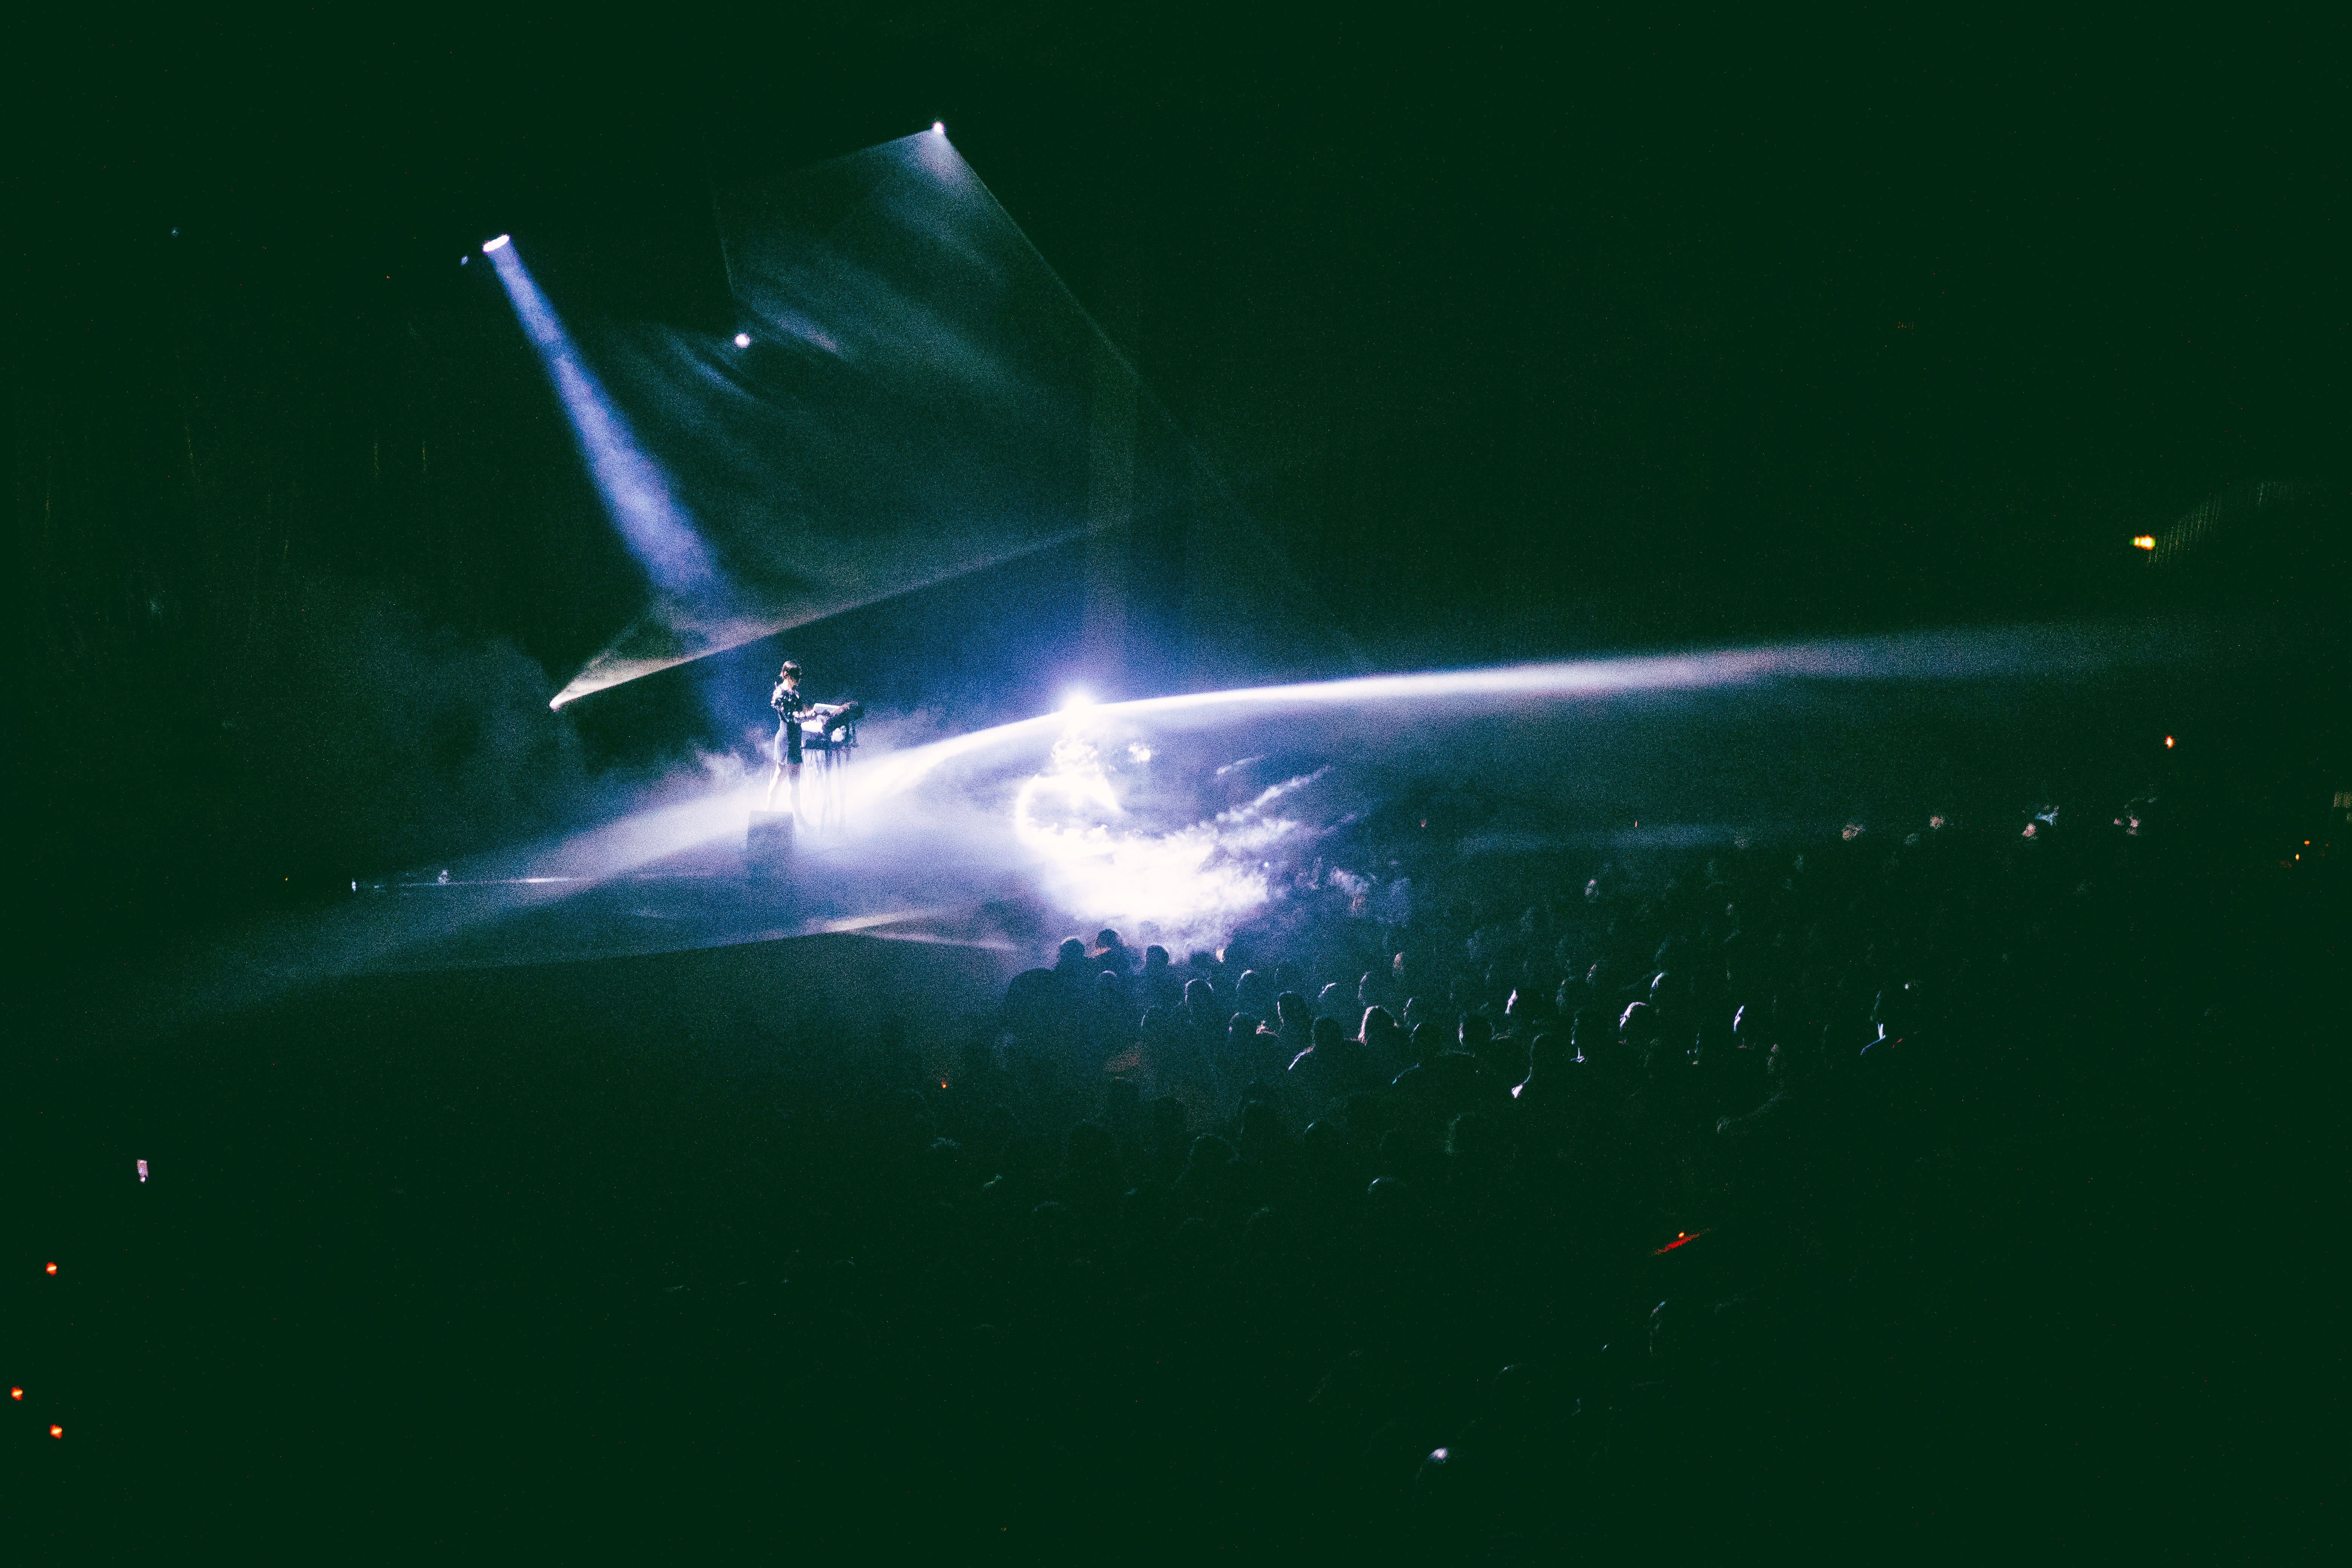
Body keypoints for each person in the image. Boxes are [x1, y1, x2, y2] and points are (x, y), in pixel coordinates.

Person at [763, 660, 812, 814]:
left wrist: (814, 713)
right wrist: (808, 715)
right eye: (795, 675)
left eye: (799, 676)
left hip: (795, 738)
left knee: (795, 780)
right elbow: (790, 716)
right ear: (786, 674)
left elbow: (803, 710)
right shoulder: (780, 693)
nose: (798, 679)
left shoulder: (795, 693)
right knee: (780, 776)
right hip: (786, 739)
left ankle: (799, 816)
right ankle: (768, 813)